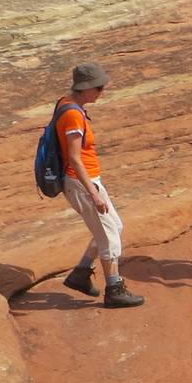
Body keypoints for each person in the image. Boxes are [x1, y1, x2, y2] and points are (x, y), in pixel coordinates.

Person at [55, 63, 143, 309]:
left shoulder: (67, 103)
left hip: (86, 179)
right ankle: (114, 289)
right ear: (85, 89)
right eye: (99, 88)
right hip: (81, 182)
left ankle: (80, 274)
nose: (101, 92)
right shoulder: (72, 113)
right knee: (109, 238)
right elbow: (74, 157)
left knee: (114, 226)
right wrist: (93, 193)